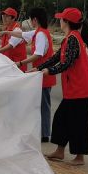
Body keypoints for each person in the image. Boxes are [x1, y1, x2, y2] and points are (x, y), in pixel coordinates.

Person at [31, 7, 88, 165]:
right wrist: (39, 68)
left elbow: (67, 63)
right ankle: (60, 151)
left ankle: (79, 157)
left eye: (61, 19)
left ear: (66, 22)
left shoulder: (73, 39)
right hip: (74, 89)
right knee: (61, 119)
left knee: (78, 124)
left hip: (81, 90)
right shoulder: (70, 38)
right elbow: (56, 57)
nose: (59, 21)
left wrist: (49, 71)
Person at [16, 8, 56, 142]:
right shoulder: (39, 32)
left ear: (35, 19)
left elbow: (38, 54)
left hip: (43, 74)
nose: (30, 22)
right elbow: (22, 35)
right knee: (39, 104)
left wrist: (21, 62)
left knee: (43, 105)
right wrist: (6, 32)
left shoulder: (40, 35)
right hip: (40, 74)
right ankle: (41, 131)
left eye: (30, 19)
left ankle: (44, 134)